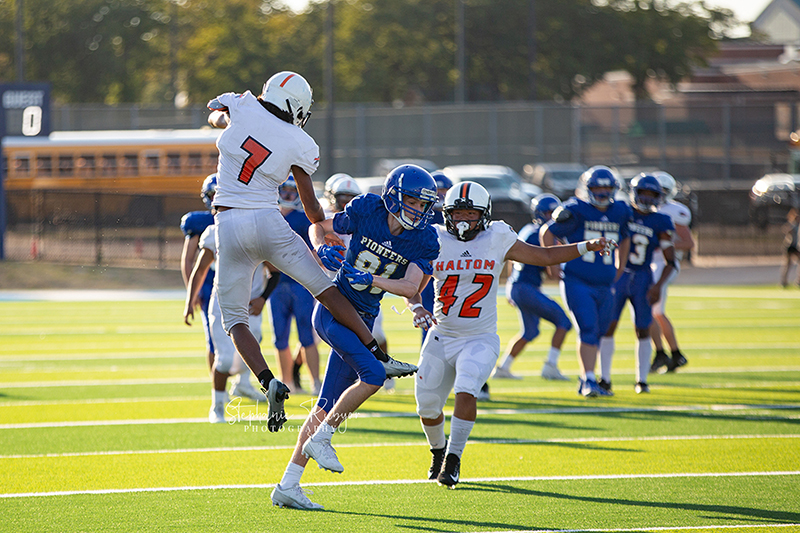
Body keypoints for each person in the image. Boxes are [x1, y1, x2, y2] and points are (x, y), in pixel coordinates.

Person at [207, 70, 412, 432]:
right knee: (325, 288)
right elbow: (312, 208)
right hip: (269, 221)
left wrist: (228, 120)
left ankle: (268, 379)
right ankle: (377, 352)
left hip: (228, 222)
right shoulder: (300, 141)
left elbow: (214, 114)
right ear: (298, 105)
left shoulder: (243, 104)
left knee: (235, 321)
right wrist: (325, 229)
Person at [405, 181, 614, 488]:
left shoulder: (497, 237)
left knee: (466, 389)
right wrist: (415, 307)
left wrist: (585, 246)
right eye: (458, 213)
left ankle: (453, 459)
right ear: (447, 214)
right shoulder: (434, 239)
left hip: (479, 338)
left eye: (470, 214)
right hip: (442, 335)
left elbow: (543, 257)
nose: (464, 220)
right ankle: (438, 452)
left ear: (485, 215)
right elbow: (412, 286)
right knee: (427, 407)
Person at [271, 165, 440, 510]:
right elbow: (320, 228)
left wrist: (371, 279)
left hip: (365, 316)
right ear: (393, 195)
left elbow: (410, 287)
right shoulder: (368, 210)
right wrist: (320, 248)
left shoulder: (423, 239)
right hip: (334, 309)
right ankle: (326, 436)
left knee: (324, 404)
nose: (418, 210)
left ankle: (288, 484)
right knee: (375, 375)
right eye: (412, 201)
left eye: (423, 205)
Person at [540, 165, 632, 398]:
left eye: (606, 189)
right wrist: (552, 265)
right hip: (577, 279)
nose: (602, 194)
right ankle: (589, 379)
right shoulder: (575, 209)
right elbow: (547, 232)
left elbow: (626, 238)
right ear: (587, 189)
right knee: (588, 328)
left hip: (605, 282)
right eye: (597, 189)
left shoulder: (621, 210)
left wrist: (619, 269)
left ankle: (588, 378)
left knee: (600, 330)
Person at [183, 221, 277, 422]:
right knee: (225, 359)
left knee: (248, 358)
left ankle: (241, 384)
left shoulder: (258, 232)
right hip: (223, 302)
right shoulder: (215, 232)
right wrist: (190, 301)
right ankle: (217, 406)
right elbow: (200, 270)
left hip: (250, 304)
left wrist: (263, 298)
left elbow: (275, 272)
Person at [598, 174, 676, 394]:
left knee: (642, 328)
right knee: (608, 326)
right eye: (644, 193)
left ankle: (642, 380)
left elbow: (671, 261)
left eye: (653, 195)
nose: (647, 198)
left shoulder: (661, 221)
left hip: (643, 277)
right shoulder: (622, 211)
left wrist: (658, 285)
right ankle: (604, 378)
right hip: (619, 275)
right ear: (634, 193)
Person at [494, 193, 572, 381]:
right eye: (547, 212)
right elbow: (552, 273)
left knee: (530, 332)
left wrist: (511, 287)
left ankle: (503, 368)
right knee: (564, 322)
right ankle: (551, 366)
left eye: (554, 212)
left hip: (518, 286)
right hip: (526, 288)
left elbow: (513, 260)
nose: (551, 216)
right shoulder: (542, 234)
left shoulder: (527, 230)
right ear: (538, 213)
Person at [269, 176, 322, 395]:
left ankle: (316, 382)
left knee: (306, 335)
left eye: (293, 190)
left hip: (300, 284)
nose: (289, 194)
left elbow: (316, 253)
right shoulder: (269, 217)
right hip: (276, 284)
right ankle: (287, 382)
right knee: (279, 337)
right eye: (285, 190)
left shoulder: (302, 220)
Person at [649, 171, 696, 373]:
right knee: (653, 312)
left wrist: (665, 244)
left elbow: (688, 242)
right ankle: (673, 354)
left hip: (665, 264)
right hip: (651, 264)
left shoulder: (673, 211)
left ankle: (664, 354)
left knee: (653, 311)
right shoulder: (646, 209)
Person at [179, 174, 217, 379]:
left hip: (234, 283)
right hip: (209, 285)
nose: (216, 200)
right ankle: (217, 387)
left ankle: (241, 382)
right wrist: (192, 293)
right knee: (213, 338)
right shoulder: (198, 222)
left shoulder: (238, 218)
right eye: (213, 195)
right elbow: (188, 260)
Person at [780, 207, 800, 288]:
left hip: (796, 247)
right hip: (789, 246)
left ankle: (798, 281)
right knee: (787, 264)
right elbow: (785, 230)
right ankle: (783, 281)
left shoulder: (797, 225)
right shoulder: (791, 225)